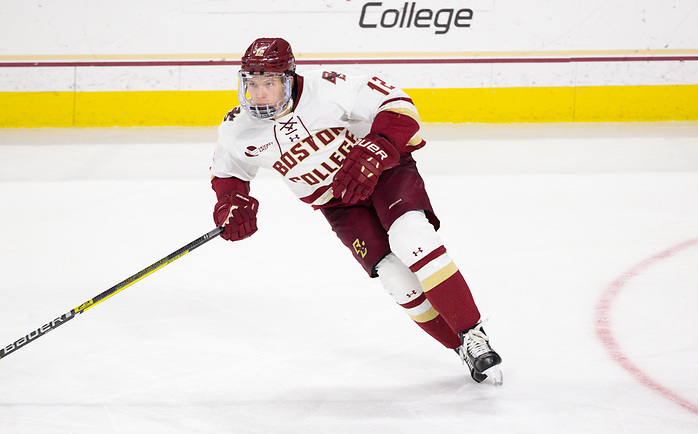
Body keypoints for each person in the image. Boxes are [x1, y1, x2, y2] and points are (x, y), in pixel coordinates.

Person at [210, 37, 502, 384]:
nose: (258, 95)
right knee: (394, 277)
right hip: (337, 204)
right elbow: (227, 172)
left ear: (289, 78)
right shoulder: (236, 128)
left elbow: (399, 105)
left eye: (269, 84)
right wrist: (231, 203)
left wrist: (378, 146)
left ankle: (473, 333)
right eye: (252, 84)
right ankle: (461, 347)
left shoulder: (329, 87)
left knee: (412, 237)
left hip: (383, 172)